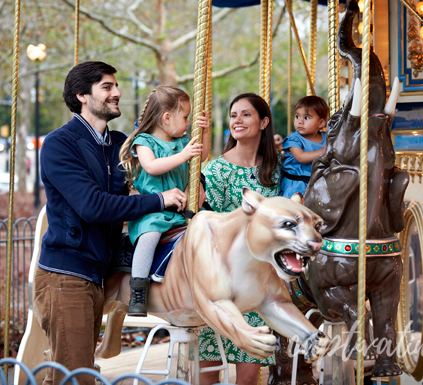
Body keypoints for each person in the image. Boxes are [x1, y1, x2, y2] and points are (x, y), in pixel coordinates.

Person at [33, 61, 187, 385]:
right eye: (107, 87)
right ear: (82, 95)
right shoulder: (60, 145)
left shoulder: (118, 143)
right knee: (78, 376)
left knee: (65, 373)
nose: (117, 92)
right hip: (67, 273)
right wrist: (159, 200)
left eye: (116, 86)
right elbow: (93, 206)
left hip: (98, 275)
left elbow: (155, 159)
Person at [199, 93, 281, 385]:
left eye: (246, 115)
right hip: (221, 281)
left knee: (248, 377)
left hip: (259, 282)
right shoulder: (217, 170)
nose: (237, 121)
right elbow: (209, 225)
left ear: (264, 122)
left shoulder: (274, 170)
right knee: (208, 370)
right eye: (234, 115)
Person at [119, 86, 210, 315]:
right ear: (167, 118)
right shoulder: (144, 141)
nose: (188, 123)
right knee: (150, 236)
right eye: (186, 117)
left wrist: (205, 132)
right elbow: (152, 166)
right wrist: (183, 156)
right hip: (153, 211)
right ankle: (138, 288)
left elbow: (203, 155)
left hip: (180, 211)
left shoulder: (182, 141)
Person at [279, 95, 329, 198]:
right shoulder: (294, 139)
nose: (300, 121)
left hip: (318, 183)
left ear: (321, 123)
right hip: (296, 184)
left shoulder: (326, 138)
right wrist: (324, 151)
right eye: (297, 116)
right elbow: (301, 157)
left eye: (306, 117)